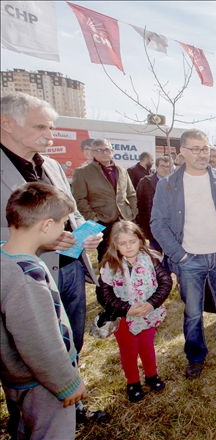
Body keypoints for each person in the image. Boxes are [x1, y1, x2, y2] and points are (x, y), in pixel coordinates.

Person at [0, 92, 107, 425]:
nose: (50, 135)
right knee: (33, 350)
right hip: (25, 281)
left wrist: (82, 235)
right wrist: (42, 243)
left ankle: (69, 404)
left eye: (52, 126)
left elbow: (68, 214)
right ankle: (30, 419)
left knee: (68, 341)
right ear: (7, 124)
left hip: (71, 270)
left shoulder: (53, 166)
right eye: (40, 126)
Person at [151, 129, 216, 379]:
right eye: (196, 149)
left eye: (205, 148)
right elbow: (157, 223)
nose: (203, 154)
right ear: (182, 152)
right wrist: (179, 255)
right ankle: (195, 356)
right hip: (189, 260)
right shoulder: (168, 184)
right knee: (193, 312)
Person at [1, 183, 87, 439]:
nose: (64, 230)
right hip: (43, 383)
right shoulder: (28, 280)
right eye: (63, 224)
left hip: (15, 376)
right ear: (47, 226)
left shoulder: (6, 257)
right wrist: (66, 383)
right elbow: (40, 342)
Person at [97, 221, 172, 402]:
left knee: (146, 346)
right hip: (124, 318)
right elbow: (103, 294)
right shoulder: (109, 266)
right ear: (114, 245)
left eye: (132, 241)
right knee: (129, 350)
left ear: (140, 240)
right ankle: (133, 382)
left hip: (148, 314)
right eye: (122, 243)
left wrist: (152, 303)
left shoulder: (151, 259)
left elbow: (165, 283)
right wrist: (126, 309)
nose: (128, 247)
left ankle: (151, 375)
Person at [71, 138, 138, 262]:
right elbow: (79, 198)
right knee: (106, 257)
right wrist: (93, 217)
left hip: (123, 219)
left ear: (112, 151)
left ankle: (127, 280)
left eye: (107, 149)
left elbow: (131, 193)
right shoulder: (83, 172)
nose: (104, 152)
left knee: (127, 254)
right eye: (99, 150)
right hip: (102, 220)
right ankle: (106, 281)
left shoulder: (122, 170)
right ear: (93, 153)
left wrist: (132, 212)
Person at [136, 155, 171, 253]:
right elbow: (139, 204)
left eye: (168, 166)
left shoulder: (176, 182)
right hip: (152, 225)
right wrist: (142, 225)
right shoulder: (145, 182)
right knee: (155, 254)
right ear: (156, 167)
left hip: (171, 227)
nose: (165, 169)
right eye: (162, 166)